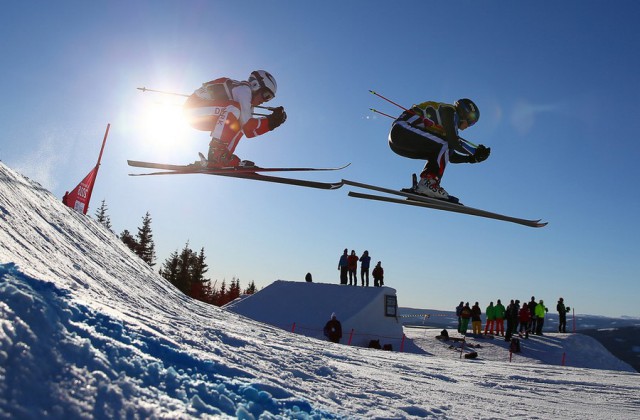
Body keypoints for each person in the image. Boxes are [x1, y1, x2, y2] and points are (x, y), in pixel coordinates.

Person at [387, 98, 490, 200]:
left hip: (399, 140)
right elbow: (453, 142)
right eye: (471, 121)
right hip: (402, 130)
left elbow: (449, 155)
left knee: (442, 149)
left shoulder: (450, 125)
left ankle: (425, 186)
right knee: (445, 144)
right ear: (464, 114)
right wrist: (474, 152)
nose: (469, 126)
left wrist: (471, 159)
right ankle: (428, 183)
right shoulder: (450, 111)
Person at [183, 70, 287, 168]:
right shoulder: (244, 90)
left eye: (269, 98)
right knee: (234, 108)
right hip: (193, 109)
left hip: (203, 115)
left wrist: (273, 123)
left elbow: (248, 132)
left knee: (239, 121)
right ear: (256, 85)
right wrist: (271, 120)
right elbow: (248, 125)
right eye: (266, 95)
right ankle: (216, 154)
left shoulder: (249, 104)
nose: (264, 101)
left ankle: (223, 157)